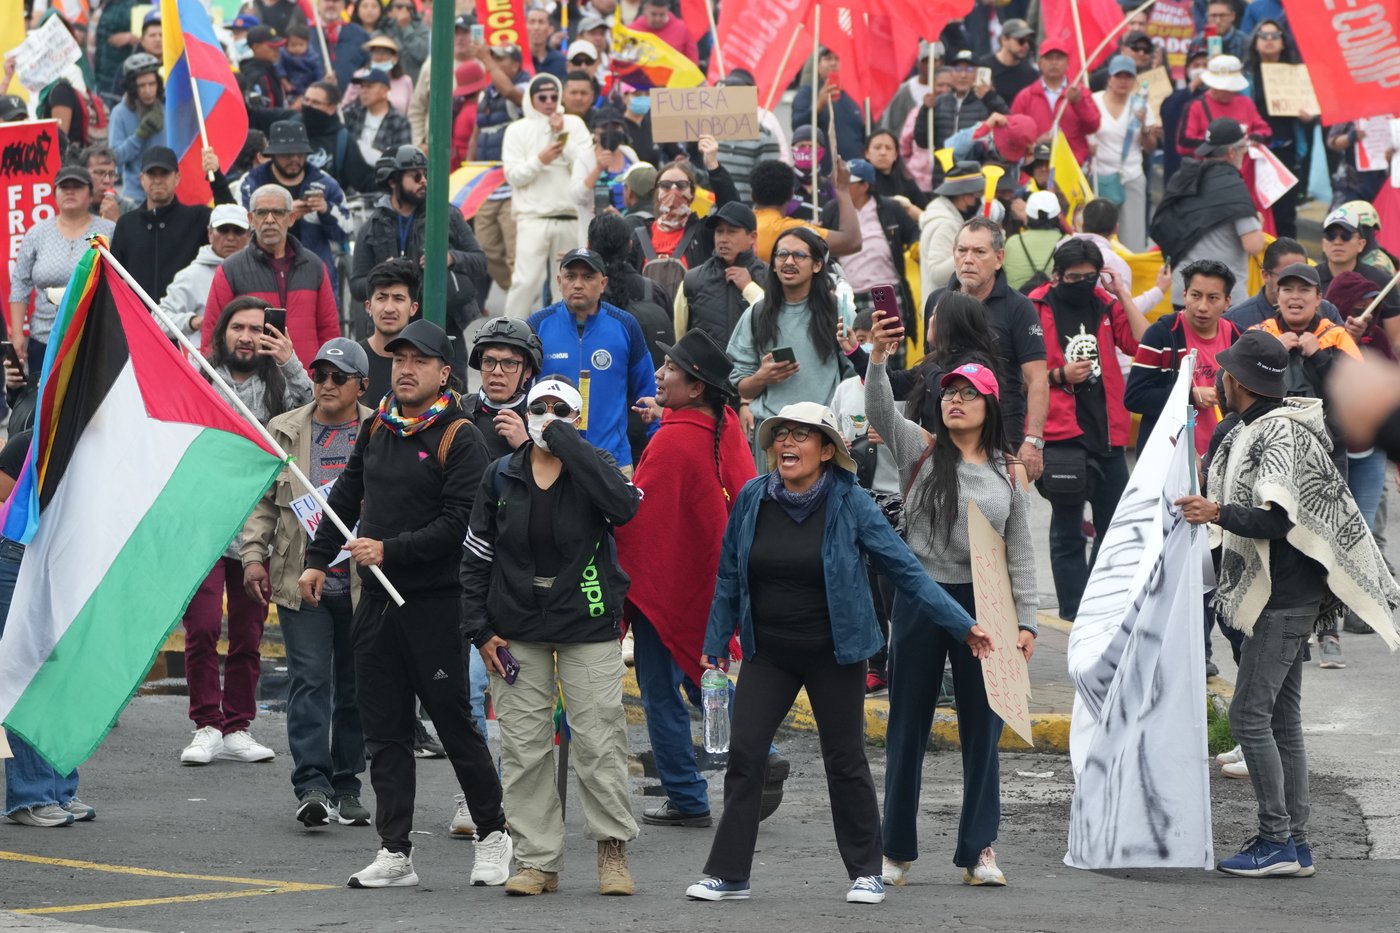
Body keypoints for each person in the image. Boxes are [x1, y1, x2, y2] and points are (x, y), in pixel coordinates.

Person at [686, 402, 992, 905]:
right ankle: (729, 874)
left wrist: (963, 626)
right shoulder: (752, 498)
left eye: (803, 436)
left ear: (827, 451)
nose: (788, 443)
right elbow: (729, 574)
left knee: (845, 759)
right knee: (744, 755)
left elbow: (906, 571)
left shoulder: (851, 502)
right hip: (770, 652)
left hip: (837, 651)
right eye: (782, 434)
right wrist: (716, 644)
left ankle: (867, 871)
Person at [1176, 330, 1398, 878]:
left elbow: (1279, 520)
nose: (1221, 379)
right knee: (1281, 720)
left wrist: (1217, 513)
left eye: (1226, 373)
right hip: (1288, 596)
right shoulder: (1259, 426)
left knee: (1250, 717)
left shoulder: (1280, 434)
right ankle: (1295, 845)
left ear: (1241, 382)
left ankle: (1276, 839)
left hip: (1283, 598)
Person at [301, 319, 512, 889]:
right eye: (398, 360)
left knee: (453, 723)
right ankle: (396, 851)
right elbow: (345, 497)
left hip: (435, 605)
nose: (406, 369)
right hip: (377, 604)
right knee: (386, 732)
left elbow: (458, 527)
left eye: (419, 360)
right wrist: (317, 559)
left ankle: (494, 834)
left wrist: (386, 550)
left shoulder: (459, 435)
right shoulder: (378, 430)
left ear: (444, 372)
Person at [866, 329, 1037, 887]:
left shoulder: (1008, 471)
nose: (954, 400)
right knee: (906, 726)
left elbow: (1022, 554)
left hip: (987, 601)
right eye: (948, 393)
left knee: (982, 730)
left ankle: (979, 850)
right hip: (921, 598)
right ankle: (895, 852)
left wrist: (1028, 622)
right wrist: (877, 360)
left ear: (989, 407)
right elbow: (878, 412)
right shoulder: (921, 447)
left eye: (968, 393)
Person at [460, 376, 642, 896]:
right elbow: (475, 559)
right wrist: (480, 631)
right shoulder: (500, 474)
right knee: (523, 746)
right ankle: (538, 859)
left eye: (558, 409)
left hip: (586, 623)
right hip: (517, 627)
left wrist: (566, 444)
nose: (545, 414)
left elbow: (625, 508)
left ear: (576, 417)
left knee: (599, 739)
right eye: (537, 407)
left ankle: (612, 851)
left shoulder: (595, 467)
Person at [616, 330, 756, 829]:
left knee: (660, 688)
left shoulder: (674, 440)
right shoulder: (720, 424)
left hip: (667, 587)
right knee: (703, 678)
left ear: (695, 386)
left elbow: (638, 519)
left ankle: (686, 794)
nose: (658, 373)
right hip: (709, 583)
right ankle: (761, 749)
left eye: (670, 367)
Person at [241, 337, 374, 828]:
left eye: (338, 377)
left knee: (356, 688)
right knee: (310, 681)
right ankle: (313, 784)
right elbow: (262, 500)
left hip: (364, 584)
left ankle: (347, 784)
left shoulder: (380, 430)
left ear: (362, 384)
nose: (326, 384)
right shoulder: (284, 429)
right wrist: (253, 556)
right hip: (303, 581)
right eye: (319, 375)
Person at [180, 296, 314, 767]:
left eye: (258, 329)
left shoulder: (280, 385)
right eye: (239, 327)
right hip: (203, 522)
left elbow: (319, 409)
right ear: (223, 332)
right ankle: (206, 724)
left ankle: (237, 725)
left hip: (259, 525)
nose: (248, 336)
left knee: (248, 632)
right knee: (199, 629)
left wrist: (291, 360)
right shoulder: (199, 374)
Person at [1029, 238, 1145, 621]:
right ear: (1057, 275)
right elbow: (1017, 372)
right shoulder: (1034, 307)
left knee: (1113, 526)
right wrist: (1059, 375)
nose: (1082, 284)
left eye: (1090, 277)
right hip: (1063, 433)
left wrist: (1121, 292)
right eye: (1073, 277)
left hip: (1109, 432)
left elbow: (1140, 343)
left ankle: (1098, 603)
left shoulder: (1105, 303)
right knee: (1067, 528)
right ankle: (1072, 610)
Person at [0, 424, 96, 827]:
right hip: (19, 560)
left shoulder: (99, 447)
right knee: (28, 677)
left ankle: (59, 788)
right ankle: (29, 796)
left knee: (65, 679)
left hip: (68, 563)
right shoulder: (28, 443)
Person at [927, 217, 1048, 478]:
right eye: (962, 251)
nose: (968, 259)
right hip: (945, 432)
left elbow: (1037, 378)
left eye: (979, 252)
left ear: (999, 258)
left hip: (1000, 433)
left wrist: (1033, 441)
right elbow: (929, 366)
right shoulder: (938, 301)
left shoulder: (1019, 307)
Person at [726, 228, 856, 469]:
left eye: (798, 255)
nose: (788, 261)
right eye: (782, 254)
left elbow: (855, 374)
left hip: (822, 431)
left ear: (817, 265)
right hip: (773, 435)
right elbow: (741, 385)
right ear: (773, 264)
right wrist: (762, 377)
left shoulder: (838, 311)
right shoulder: (757, 313)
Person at [349, 145, 487, 368]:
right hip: (391, 335)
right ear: (393, 181)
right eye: (415, 176)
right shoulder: (372, 226)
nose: (423, 180)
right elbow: (356, 285)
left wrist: (450, 257)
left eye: (426, 174)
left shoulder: (448, 215)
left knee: (453, 395)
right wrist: (381, 275)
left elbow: (480, 262)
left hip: (444, 327)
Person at [526, 248, 657, 473]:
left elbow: (649, 393)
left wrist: (657, 446)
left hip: (613, 461)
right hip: (550, 458)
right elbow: (521, 391)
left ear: (603, 283)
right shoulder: (538, 325)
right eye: (570, 276)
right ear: (559, 281)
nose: (578, 284)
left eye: (588, 277)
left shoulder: (625, 326)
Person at [203, 184, 342, 369]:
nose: (269, 220)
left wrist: (326, 376)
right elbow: (212, 336)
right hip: (250, 386)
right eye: (261, 213)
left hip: (307, 383)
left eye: (277, 212)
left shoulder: (314, 266)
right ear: (251, 219)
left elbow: (329, 332)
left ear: (291, 218)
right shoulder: (230, 269)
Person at [1126, 259, 1242, 455]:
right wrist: (1190, 396)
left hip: (1223, 459)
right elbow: (1135, 398)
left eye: (1213, 298)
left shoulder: (1238, 338)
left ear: (1227, 301)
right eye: (1196, 296)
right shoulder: (1161, 335)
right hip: (1167, 459)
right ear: (1185, 295)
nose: (1202, 306)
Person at [502, 73, 592, 320]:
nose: (549, 102)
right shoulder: (517, 130)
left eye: (554, 96)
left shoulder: (573, 124)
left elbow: (588, 165)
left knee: (567, 285)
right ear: (531, 99)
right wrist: (540, 160)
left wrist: (564, 138)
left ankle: (565, 337)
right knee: (525, 282)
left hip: (570, 216)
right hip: (533, 218)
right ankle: (507, 332)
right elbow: (513, 175)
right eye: (542, 97)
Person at [1152, 118, 1265, 307]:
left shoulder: (1183, 179)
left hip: (1184, 296)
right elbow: (1253, 245)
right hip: (1222, 301)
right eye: (1244, 149)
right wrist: (1258, 224)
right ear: (1231, 152)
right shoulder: (1233, 187)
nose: (1245, 154)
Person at [8, 166, 115, 365]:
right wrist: (16, 334)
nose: (70, 191)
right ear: (55, 193)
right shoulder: (36, 233)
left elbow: (121, 282)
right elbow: (20, 284)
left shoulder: (107, 231)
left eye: (77, 186)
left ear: (91, 194)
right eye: (64, 186)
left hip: (94, 337)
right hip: (44, 339)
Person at [110, 146, 234, 306]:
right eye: (151, 174)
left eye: (164, 173)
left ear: (177, 178)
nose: (157, 180)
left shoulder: (197, 218)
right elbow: (113, 277)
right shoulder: (126, 223)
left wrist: (216, 178)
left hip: (185, 322)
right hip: (137, 323)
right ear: (141, 179)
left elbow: (231, 219)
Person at [239, 121, 353, 294]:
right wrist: (284, 213)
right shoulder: (251, 182)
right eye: (287, 154)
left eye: (300, 153)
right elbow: (242, 229)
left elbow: (346, 231)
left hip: (314, 279)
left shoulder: (324, 183)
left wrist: (326, 210)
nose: (294, 159)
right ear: (273, 155)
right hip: (261, 277)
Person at [819, 159, 920, 328]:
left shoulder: (891, 207)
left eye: (848, 183)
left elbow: (913, 232)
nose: (841, 186)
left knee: (891, 346)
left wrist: (915, 246)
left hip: (885, 291)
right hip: (846, 292)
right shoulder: (832, 209)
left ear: (865, 185)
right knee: (850, 347)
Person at [1242, 20, 1313, 239]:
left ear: (1284, 42)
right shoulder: (1246, 76)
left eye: (1275, 36)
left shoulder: (1296, 74)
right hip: (1256, 152)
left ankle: (1288, 267)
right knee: (1254, 209)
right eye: (1263, 35)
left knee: (1285, 212)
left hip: (1286, 150)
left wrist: (1308, 116)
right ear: (1255, 42)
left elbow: (1313, 112)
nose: (1269, 40)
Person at [1089, 55, 1160, 252]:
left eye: (1128, 77)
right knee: (1099, 238)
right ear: (1109, 78)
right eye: (1118, 76)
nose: (1123, 81)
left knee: (1133, 240)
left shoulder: (1140, 105)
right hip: (1100, 177)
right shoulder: (1094, 102)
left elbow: (1150, 147)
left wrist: (1145, 126)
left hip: (1131, 176)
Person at [674, 202, 768, 347]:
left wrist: (749, 288)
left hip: (756, 369)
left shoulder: (770, 277)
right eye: (719, 231)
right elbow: (680, 339)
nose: (723, 239)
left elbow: (779, 323)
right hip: (706, 369)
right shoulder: (693, 279)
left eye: (732, 232)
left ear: (752, 237)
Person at [157, 204, 252, 342]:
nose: (231, 237)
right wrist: (193, 322)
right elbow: (158, 320)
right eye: (223, 230)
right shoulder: (191, 276)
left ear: (249, 235)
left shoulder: (263, 272)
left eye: (238, 231)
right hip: (204, 360)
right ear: (210, 234)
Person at [1317, 205, 1400, 345]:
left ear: (1361, 244)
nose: (1338, 242)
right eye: (1331, 236)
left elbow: (1396, 341)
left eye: (1346, 236)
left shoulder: (1382, 280)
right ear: (1324, 244)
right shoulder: (1309, 279)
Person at [750, 159, 861, 263]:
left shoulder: (740, 226)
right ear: (791, 195)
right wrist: (842, 190)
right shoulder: (791, 231)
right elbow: (852, 242)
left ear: (752, 196)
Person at [1011, 40, 1101, 164]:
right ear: (1039, 63)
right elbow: (1013, 136)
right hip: (1037, 170)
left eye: (1059, 58)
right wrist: (1035, 143)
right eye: (1048, 58)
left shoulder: (1080, 92)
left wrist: (1079, 103)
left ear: (1067, 62)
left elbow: (1093, 126)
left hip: (1072, 168)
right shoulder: (1025, 97)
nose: (1054, 62)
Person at [1225, 238, 1344, 331]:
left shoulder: (1327, 311)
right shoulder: (1235, 320)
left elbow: (1347, 359)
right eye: (1286, 277)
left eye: (1302, 275)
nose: (1295, 295)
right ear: (1266, 275)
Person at [466, 317, 541, 459]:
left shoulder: (542, 419)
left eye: (509, 363)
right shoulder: (459, 409)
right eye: (488, 361)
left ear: (527, 372)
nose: (497, 371)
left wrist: (526, 446)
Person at [914, 50, 1008, 154]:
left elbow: (1008, 125)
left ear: (978, 73)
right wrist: (925, 110)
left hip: (974, 167)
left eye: (969, 69)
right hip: (942, 168)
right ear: (951, 73)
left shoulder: (987, 101)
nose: (963, 75)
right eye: (958, 69)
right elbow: (922, 142)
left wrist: (990, 97)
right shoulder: (939, 102)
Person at [919, 163, 987, 302]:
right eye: (974, 196)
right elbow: (937, 274)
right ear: (963, 195)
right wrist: (970, 252)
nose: (976, 201)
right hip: (943, 307)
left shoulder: (945, 217)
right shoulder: (947, 224)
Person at [356, 258, 419, 404]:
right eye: (381, 298)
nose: (389, 308)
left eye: (398, 298)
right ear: (368, 306)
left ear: (413, 308)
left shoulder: (425, 364)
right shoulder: (352, 361)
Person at [299, 82, 378, 194]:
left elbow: (363, 180)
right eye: (306, 100)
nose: (308, 106)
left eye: (315, 102)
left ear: (331, 108)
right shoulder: (290, 126)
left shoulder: (342, 140)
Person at [792, 48, 865, 166]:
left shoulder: (856, 96)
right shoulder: (807, 93)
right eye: (828, 58)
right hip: (821, 175)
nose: (833, 63)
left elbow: (867, 135)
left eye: (837, 58)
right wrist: (819, 104)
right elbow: (797, 126)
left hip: (853, 174)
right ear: (818, 66)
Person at [108, 53, 166, 201]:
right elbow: (115, 158)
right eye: (141, 86)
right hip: (136, 196)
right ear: (132, 88)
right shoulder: (120, 113)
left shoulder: (167, 107)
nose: (148, 90)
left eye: (152, 84)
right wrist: (140, 135)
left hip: (168, 192)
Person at [344, 70, 414, 164]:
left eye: (369, 86)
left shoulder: (399, 122)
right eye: (362, 87)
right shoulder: (352, 114)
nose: (363, 91)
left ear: (385, 91)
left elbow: (403, 159)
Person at [1002, 191, 1062, 292]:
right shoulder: (1068, 241)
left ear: (1028, 215)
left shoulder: (1013, 242)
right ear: (1059, 216)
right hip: (1054, 306)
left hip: (1018, 305)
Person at [343, 35, 413, 114]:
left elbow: (411, 111)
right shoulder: (360, 76)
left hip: (397, 124)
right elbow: (346, 105)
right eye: (375, 52)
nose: (379, 57)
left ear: (395, 58)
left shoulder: (405, 81)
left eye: (383, 53)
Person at [978, 19, 1038, 105]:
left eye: (1028, 41)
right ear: (1004, 40)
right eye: (1021, 40)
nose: (1026, 45)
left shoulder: (1031, 74)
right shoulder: (984, 67)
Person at [863, 130, 926, 208]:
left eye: (888, 148)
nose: (883, 152)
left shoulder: (907, 184)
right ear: (867, 153)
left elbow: (926, 212)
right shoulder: (860, 183)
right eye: (877, 147)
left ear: (895, 155)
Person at [318, 0, 371, 88]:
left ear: (343, 5)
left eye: (336, 1)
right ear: (318, 4)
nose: (331, 4)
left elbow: (368, 67)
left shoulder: (360, 35)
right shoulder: (305, 35)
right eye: (326, 1)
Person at [629, 0, 697, 62]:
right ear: (645, 11)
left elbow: (693, 62)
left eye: (662, 15)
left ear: (667, 11)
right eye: (653, 14)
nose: (658, 19)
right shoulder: (632, 30)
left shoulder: (684, 29)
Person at [241, 25, 289, 109]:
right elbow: (266, 110)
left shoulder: (270, 68)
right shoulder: (257, 76)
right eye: (272, 47)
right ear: (256, 47)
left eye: (278, 46)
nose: (277, 50)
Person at [380, 0, 430, 82]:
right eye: (399, 7)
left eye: (409, 8)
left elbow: (421, 54)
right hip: (388, 84)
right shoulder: (383, 29)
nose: (404, 10)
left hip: (414, 84)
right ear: (390, 12)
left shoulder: (421, 28)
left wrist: (406, 27)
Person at [277, 23, 325, 99]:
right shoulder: (282, 55)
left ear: (307, 44)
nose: (297, 48)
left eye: (301, 45)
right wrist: (284, 81)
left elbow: (318, 74)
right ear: (286, 45)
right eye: (293, 45)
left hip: (307, 91)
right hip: (288, 90)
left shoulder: (313, 58)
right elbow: (278, 67)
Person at [526, 5, 568, 78]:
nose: (536, 27)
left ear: (550, 30)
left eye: (541, 22)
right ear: (524, 27)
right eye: (532, 22)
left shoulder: (560, 61)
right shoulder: (517, 59)